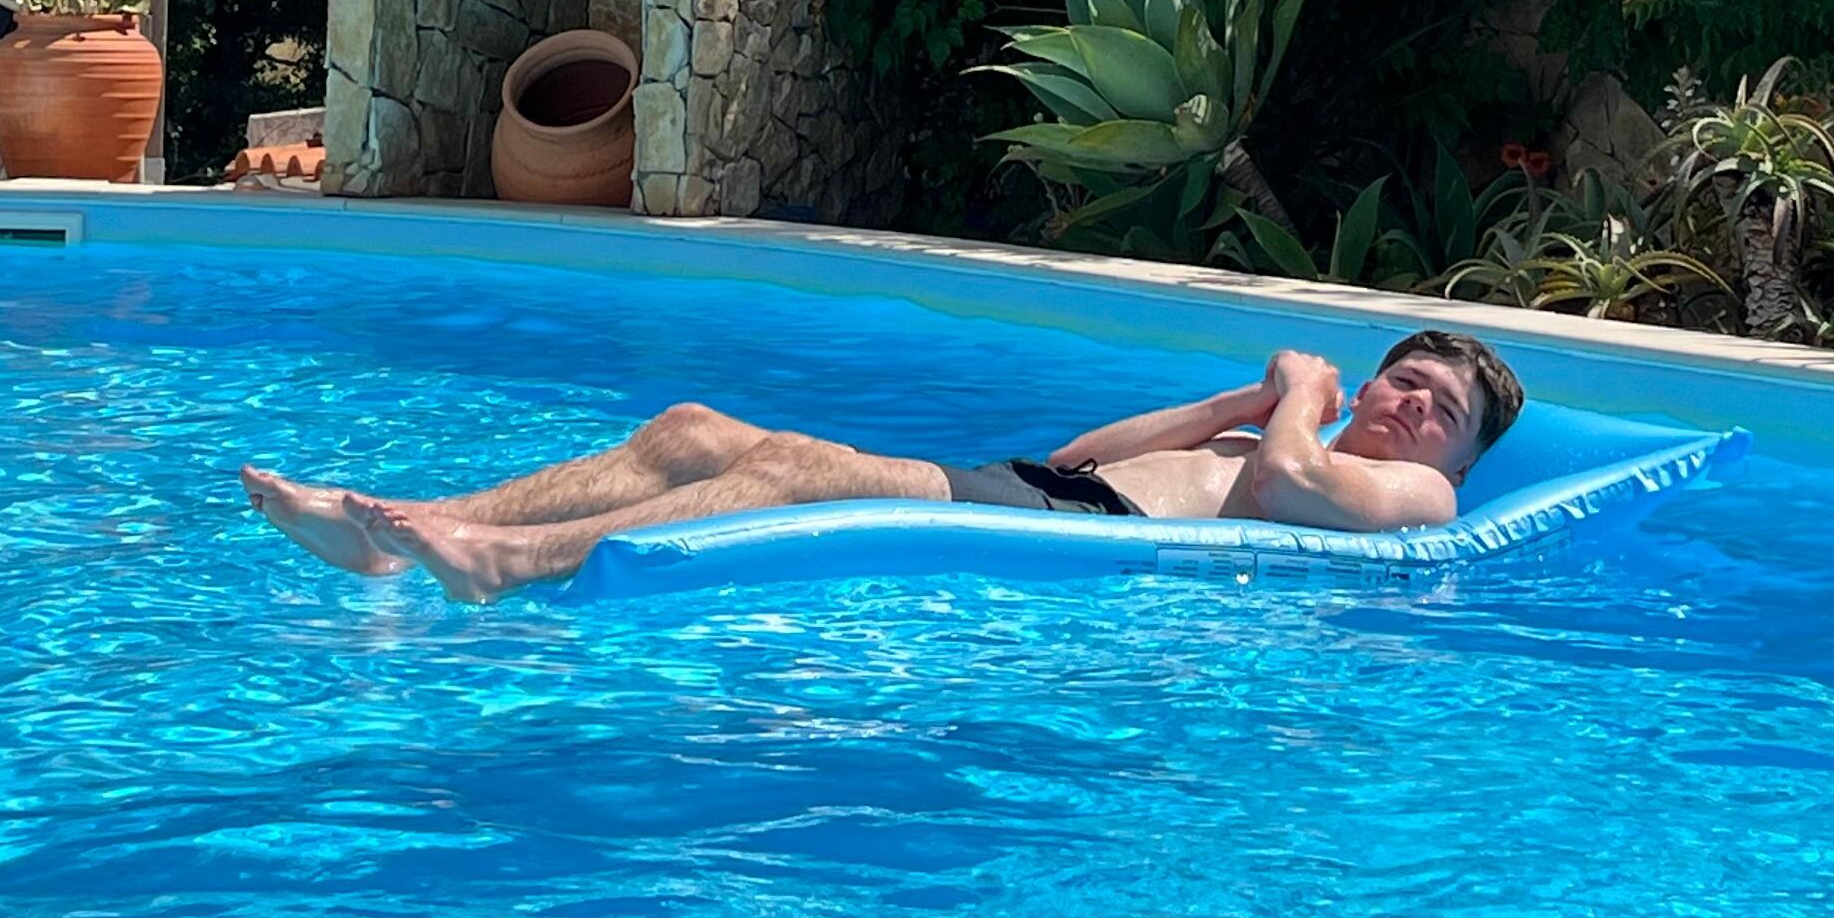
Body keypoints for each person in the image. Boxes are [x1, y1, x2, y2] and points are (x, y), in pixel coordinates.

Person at [241, 328, 1525, 603]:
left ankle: (507, 561)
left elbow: (1293, 492)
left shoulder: (1423, 494)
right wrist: (1244, 398)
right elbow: (1081, 452)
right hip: (1052, 491)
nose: (1415, 404)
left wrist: (1296, 402)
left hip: (1079, 539)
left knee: (796, 467)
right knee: (690, 428)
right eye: (1405, 380)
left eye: (1444, 405)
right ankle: (402, 528)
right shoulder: (1270, 432)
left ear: (1464, 450)